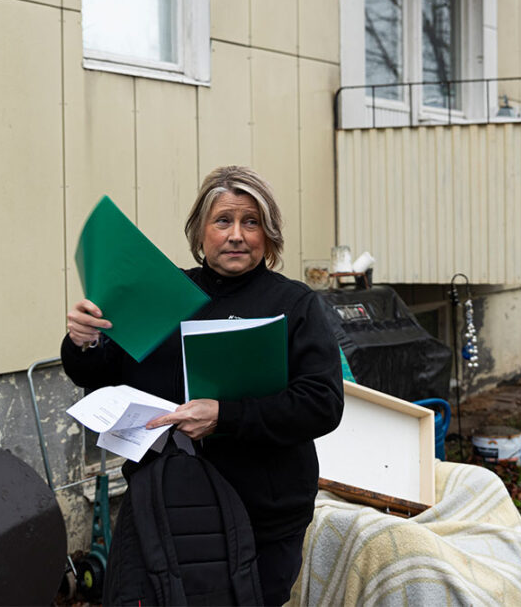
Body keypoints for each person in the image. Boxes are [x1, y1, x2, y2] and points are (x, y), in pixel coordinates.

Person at [62, 165, 345, 605]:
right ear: (199, 233)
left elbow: (322, 403)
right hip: (164, 503)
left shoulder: (293, 304)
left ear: (268, 236)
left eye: (250, 222)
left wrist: (225, 416)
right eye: (223, 221)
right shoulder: (161, 293)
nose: (236, 234)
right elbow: (98, 373)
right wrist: (85, 341)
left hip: (263, 513)